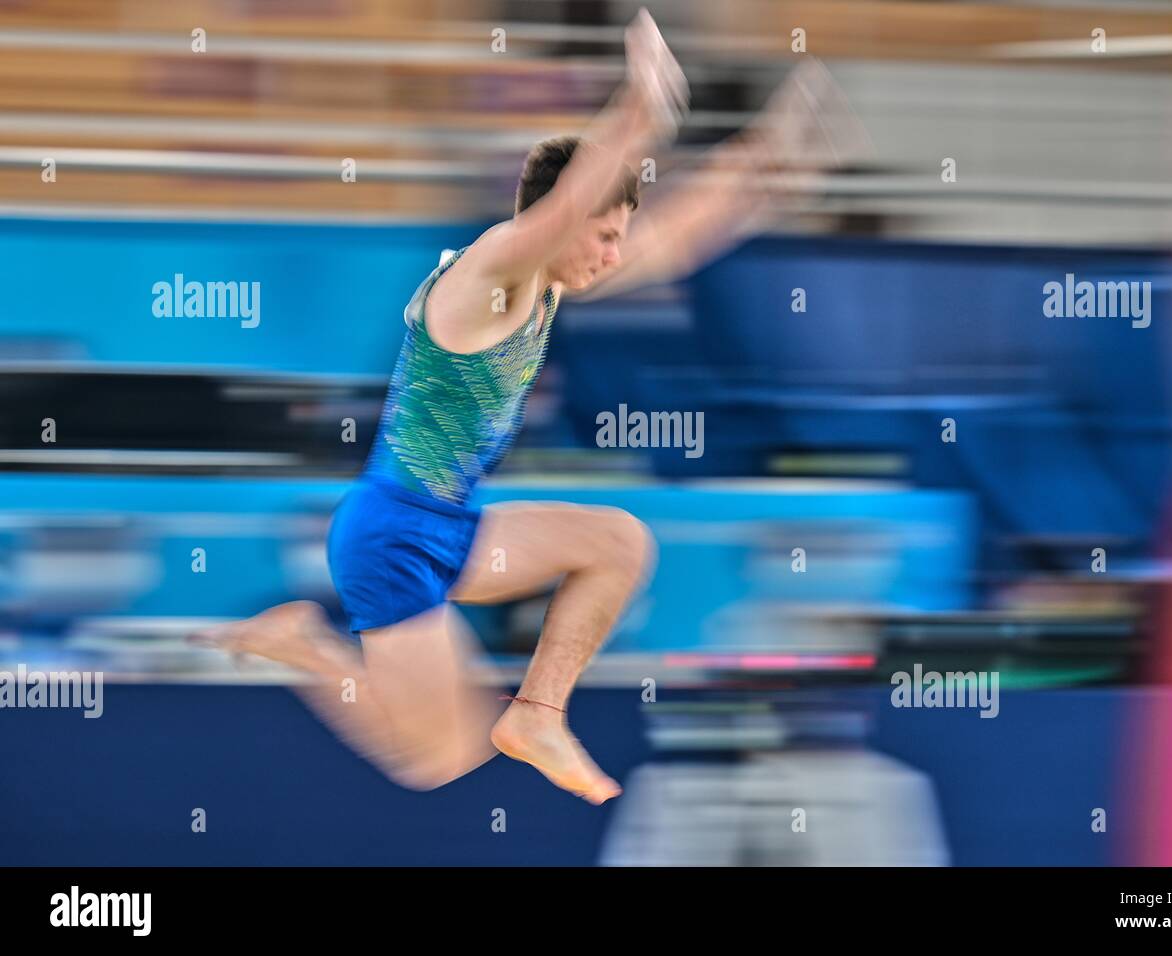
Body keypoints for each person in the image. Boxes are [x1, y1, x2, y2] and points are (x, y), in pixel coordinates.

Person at [195, 9, 863, 805]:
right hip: (391, 535)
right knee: (436, 760)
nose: (614, 256)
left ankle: (539, 713)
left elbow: (675, 237)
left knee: (618, 544)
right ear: (562, 220)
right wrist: (641, 111)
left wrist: (767, 163)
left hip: (448, 523)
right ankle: (304, 645)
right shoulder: (491, 274)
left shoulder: (545, 284)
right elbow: (566, 206)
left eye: (618, 238)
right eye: (603, 236)